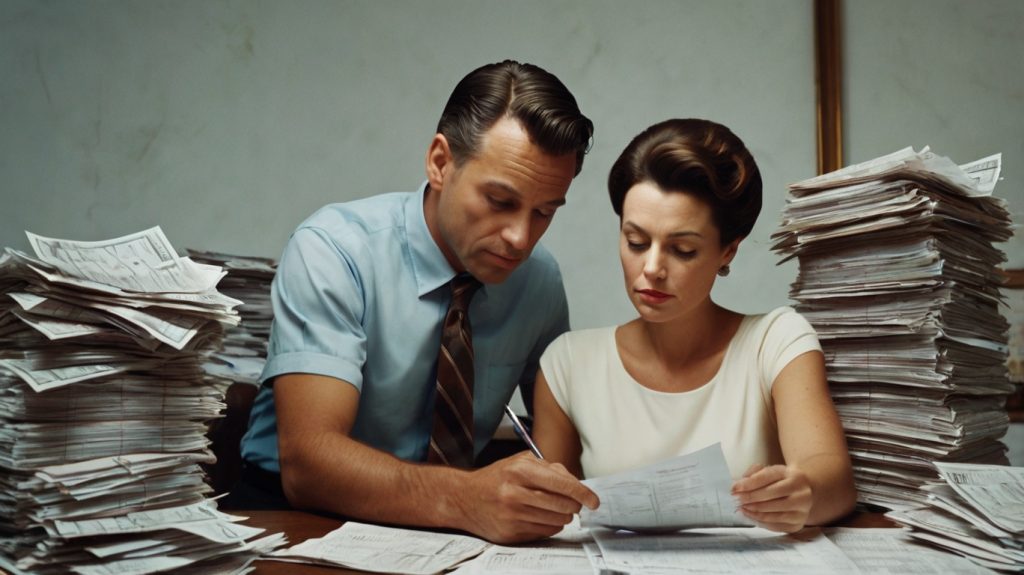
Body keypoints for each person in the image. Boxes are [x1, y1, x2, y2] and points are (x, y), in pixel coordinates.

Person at [232, 60, 599, 544]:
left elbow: (560, 451)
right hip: (294, 516)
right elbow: (308, 462)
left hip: (453, 531)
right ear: (441, 162)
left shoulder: (539, 280)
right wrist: (467, 498)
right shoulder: (334, 249)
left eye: (545, 213)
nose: (520, 238)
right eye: (500, 201)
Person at [532, 118, 857, 533]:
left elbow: (833, 478)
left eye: (682, 250)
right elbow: (550, 518)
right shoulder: (568, 364)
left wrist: (804, 494)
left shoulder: (776, 342)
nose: (651, 268)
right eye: (635, 241)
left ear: (728, 250)